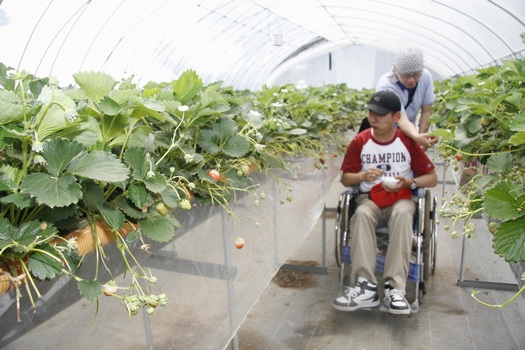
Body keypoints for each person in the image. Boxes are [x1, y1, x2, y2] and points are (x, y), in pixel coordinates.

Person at [332, 90, 437, 315]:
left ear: (396, 117)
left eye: (380, 114)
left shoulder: (407, 142)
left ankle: (394, 288)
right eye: (371, 113)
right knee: (361, 215)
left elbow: (432, 178)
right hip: (370, 198)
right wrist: (361, 176)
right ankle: (366, 286)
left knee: (401, 214)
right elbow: (345, 179)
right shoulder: (359, 141)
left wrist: (408, 182)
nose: (374, 118)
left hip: (401, 199)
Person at [359, 46, 436, 148]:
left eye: (417, 74)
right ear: (395, 70)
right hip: (387, 131)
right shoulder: (387, 85)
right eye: (406, 75)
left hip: (409, 131)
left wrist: (421, 137)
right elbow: (402, 120)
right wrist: (417, 137)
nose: (411, 80)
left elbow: (427, 111)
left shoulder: (425, 77)